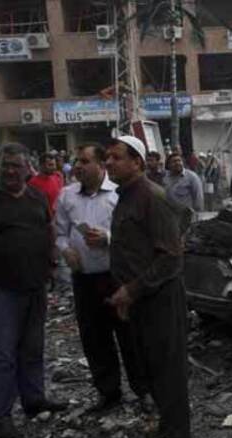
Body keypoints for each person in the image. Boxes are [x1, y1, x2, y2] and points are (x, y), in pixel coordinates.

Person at [104, 136, 192, 438]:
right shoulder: (127, 196)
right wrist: (128, 294)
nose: (109, 162)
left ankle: (177, 433)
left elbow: (171, 257)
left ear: (137, 162)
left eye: (116, 157)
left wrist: (132, 290)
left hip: (160, 298)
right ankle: (167, 426)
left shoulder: (152, 197)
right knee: (150, 368)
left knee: (168, 373)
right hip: (141, 298)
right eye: (107, 157)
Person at [0, 143, 68, 438]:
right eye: (5, 165)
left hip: (35, 286)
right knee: (1, 355)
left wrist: (51, 265)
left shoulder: (36, 197)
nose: (10, 171)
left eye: (16, 165)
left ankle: (33, 399)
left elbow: (48, 230)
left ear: (27, 168)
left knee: (33, 348)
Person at [55, 143, 152, 416]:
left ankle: (144, 390)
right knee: (94, 338)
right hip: (84, 279)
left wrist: (107, 238)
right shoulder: (66, 196)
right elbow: (59, 233)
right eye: (77, 161)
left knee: (129, 335)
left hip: (116, 277)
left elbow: (134, 234)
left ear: (100, 165)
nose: (78, 166)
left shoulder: (119, 194)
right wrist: (66, 250)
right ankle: (108, 392)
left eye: (85, 161)